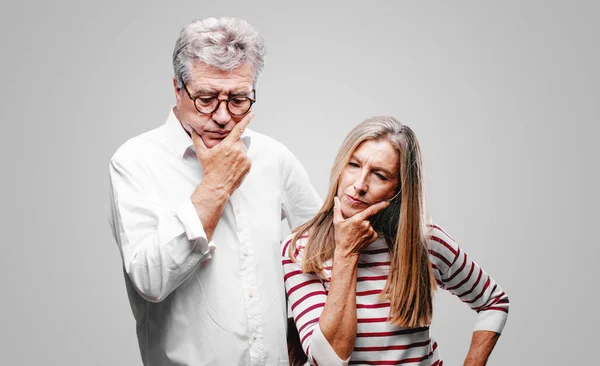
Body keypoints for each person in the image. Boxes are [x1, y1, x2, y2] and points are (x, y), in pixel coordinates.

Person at [108, 17, 321, 365]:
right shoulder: (134, 161)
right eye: (206, 98)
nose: (223, 117)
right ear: (178, 89)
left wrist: (304, 326)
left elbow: (322, 248)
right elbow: (150, 280)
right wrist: (216, 185)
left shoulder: (274, 157)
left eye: (238, 99)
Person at [282, 116, 509, 365]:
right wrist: (346, 252)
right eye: (354, 165)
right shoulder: (301, 249)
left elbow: (493, 301)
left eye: (379, 175)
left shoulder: (424, 240)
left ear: (398, 189)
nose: (359, 185)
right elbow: (327, 361)